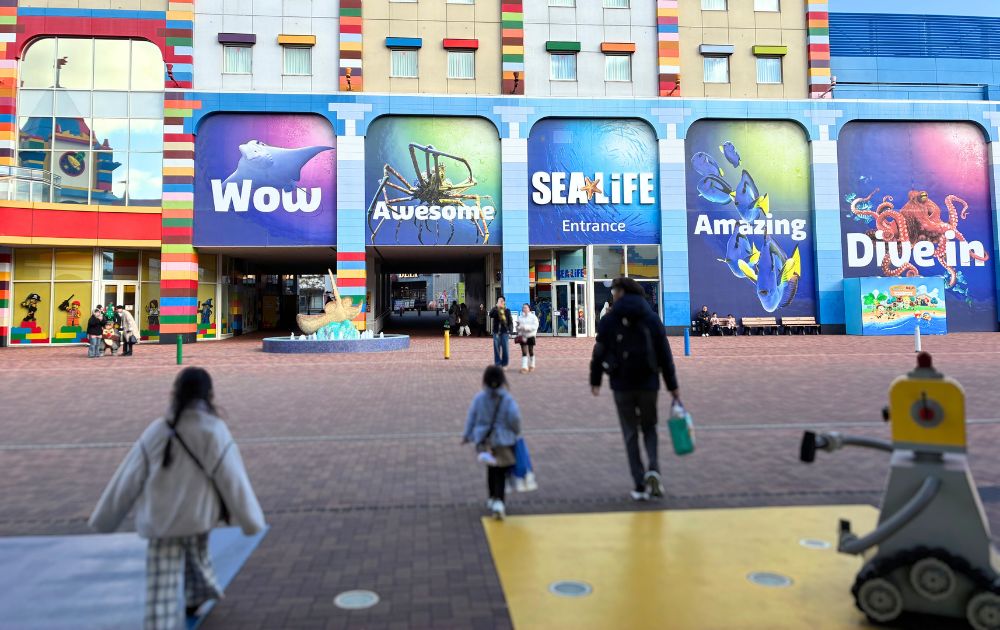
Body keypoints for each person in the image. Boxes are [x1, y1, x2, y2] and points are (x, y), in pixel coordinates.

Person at [89, 367, 265, 629]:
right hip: (197, 517)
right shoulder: (214, 430)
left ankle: (160, 621)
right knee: (197, 559)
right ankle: (196, 596)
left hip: (161, 521)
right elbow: (233, 479)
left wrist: (105, 519)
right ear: (209, 395)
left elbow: (128, 477)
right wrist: (251, 521)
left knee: (162, 581)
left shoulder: (157, 431)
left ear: (175, 393)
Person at [590, 277, 680, 501]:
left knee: (630, 432)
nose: (612, 294)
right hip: (649, 382)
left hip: (621, 383)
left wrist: (595, 379)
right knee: (650, 428)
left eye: (614, 290)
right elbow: (664, 353)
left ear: (620, 292)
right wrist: (672, 385)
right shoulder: (651, 317)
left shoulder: (610, 319)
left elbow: (600, 350)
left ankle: (639, 484)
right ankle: (654, 470)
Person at [462, 366, 522, 520]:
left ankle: (491, 498)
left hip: (485, 440)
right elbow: (515, 418)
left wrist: (467, 435)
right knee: (501, 471)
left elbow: (472, 417)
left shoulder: (480, 398)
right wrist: (515, 432)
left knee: (491, 468)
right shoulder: (507, 399)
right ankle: (499, 501)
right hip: (504, 440)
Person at [515, 304, 539, 374]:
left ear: (529, 309)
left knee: (530, 350)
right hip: (523, 336)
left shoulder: (533, 317)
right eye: (523, 308)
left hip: (531, 335)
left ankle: (532, 365)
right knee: (524, 351)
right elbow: (517, 327)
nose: (524, 309)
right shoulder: (520, 317)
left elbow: (535, 326)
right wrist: (518, 327)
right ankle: (524, 367)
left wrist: (525, 327)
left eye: (526, 307)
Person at [489, 297, 513, 368]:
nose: (501, 302)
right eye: (499, 301)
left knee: (505, 348)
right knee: (496, 348)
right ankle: (497, 363)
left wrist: (510, 331)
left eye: (502, 301)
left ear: (504, 302)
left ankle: (504, 364)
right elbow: (490, 315)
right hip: (496, 332)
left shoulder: (507, 310)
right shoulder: (495, 310)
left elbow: (510, 321)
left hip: (505, 332)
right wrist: (496, 307)